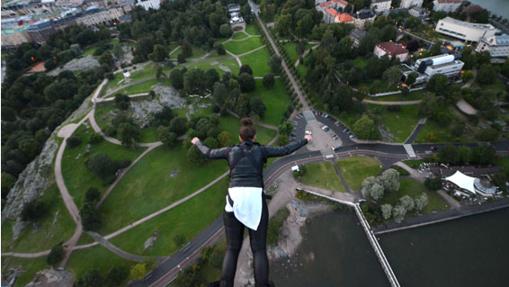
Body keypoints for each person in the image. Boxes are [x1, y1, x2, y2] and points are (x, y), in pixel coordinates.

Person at [191, 117, 311, 287]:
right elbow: (286, 149)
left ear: (240, 138)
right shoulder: (261, 150)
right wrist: (305, 139)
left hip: (234, 199)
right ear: (254, 137)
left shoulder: (230, 150)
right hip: (255, 199)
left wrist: (197, 143)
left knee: (232, 248)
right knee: (259, 250)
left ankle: (225, 284)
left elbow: (209, 153)